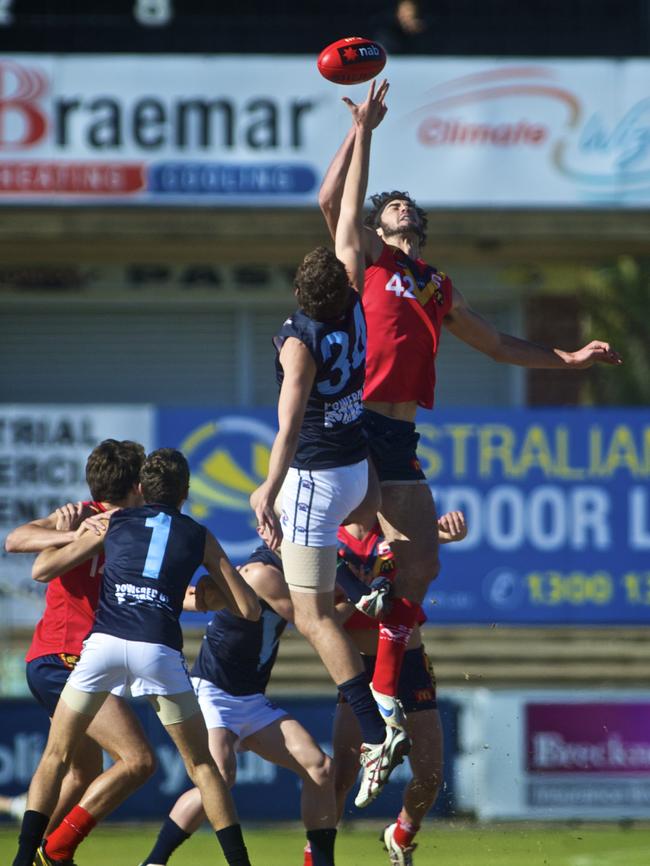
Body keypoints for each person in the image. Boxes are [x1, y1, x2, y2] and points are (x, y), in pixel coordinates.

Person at [318, 109, 623, 732]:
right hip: (358, 419)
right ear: (377, 224)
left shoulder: (434, 285)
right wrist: (363, 132)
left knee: (423, 565)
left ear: (419, 224)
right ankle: (361, 567)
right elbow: (332, 199)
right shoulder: (367, 263)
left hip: (400, 434)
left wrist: (565, 357)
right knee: (369, 526)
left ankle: (382, 687)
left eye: (407, 203)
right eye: (390, 204)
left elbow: (497, 345)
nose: (400, 206)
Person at [249, 80, 407, 809]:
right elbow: (349, 210)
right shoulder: (355, 300)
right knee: (312, 582)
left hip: (313, 479)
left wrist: (263, 488)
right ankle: (368, 576)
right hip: (356, 475)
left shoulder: (299, 343)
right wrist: (365, 133)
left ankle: (376, 726)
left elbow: (285, 426)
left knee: (309, 613)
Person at [11, 448, 261, 866]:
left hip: (99, 648)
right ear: (182, 492)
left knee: (69, 765)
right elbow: (248, 609)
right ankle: (239, 862)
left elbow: (43, 569)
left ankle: (36, 855)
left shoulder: (113, 523)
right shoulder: (178, 530)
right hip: (97, 652)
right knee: (192, 765)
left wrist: (86, 535)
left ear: (145, 488)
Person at [4, 439, 158, 865]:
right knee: (138, 760)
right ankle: (49, 852)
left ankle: (40, 853)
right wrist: (72, 533)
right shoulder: (84, 515)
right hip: (65, 658)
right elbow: (17, 541)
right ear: (136, 485)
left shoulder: (136, 524)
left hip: (65, 660)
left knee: (83, 772)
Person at [139, 543, 337, 866]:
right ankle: (154, 861)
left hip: (252, 699)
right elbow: (315, 620)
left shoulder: (300, 566)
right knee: (216, 779)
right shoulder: (264, 573)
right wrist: (364, 605)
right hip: (214, 692)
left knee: (320, 768)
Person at [302, 511, 466, 866]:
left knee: (430, 774)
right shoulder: (327, 536)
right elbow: (317, 618)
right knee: (343, 772)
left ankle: (401, 835)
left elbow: (430, 540)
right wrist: (358, 599)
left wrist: (450, 533)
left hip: (407, 662)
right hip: (358, 664)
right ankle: (316, 857)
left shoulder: (395, 526)